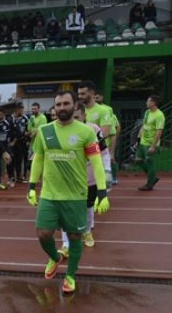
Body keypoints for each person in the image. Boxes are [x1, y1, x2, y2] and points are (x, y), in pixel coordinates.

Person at [27, 91, 110, 294]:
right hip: (49, 194)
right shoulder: (45, 130)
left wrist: (102, 192)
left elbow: (97, 163)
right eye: (58, 104)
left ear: (74, 105)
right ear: (54, 107)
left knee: (75, 237)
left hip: (76, 196)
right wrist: (31, 186)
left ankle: (71, 275)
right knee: (43, 233)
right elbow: (38, 159)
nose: (62, 107)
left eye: (66, 103)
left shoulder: (86, 132)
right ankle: (55, 257)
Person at [58, 102, 112, 254]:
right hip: (68, 179)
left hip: (90, 178)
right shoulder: (61, 130)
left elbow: (104, 152)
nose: (73, 120)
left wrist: (107, 171)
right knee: (65, 210)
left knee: (88, 207)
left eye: (77, 117)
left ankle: (87, 231)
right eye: (71, 116)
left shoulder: (93, 130)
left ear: (84, 116)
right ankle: (66, 243)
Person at [136, 94, 165, 191]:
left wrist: (153, 146)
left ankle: (149, 184)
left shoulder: (159, 115)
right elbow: (144, 125)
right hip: (143, 142)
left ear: (153, 103)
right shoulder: (147, 112)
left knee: (149, 162)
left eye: (148, 101)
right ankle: (153, 178)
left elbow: (159, 131)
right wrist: (138, 138)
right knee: (138, 160)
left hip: (151, 143)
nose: (146, 103)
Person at [95, 92, 121, 185]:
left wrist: (112, 148)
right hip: (93, 144)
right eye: (95, 97)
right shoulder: (85, 110)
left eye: (98, 96)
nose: (96, 98)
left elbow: (116, 128)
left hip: (105, 143)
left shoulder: (108, 110)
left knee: (110, 159)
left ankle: (113, 178)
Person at [0, 109, 16, 189]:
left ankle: (11, 179)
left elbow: (16, 132)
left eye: (1, 114)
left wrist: (13, 142)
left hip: (6, 145)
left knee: (9, 161)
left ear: (4, 114)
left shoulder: (9, 122)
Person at [12, 103, 30, 183]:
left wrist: (28, 137)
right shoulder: (12, 118)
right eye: (20, 109)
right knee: (16, 160)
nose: (22, 111)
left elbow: (28, 129)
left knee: (25, 158)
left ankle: (24, 176)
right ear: (16, 110)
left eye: (23, 109)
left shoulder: (26, 118)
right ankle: (17, 176)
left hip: (23, 141)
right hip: (15, 142)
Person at [27, 102, 47, 175]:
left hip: (40, 144)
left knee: (35, 162)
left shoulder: (43, 117)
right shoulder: (31, 118)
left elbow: (41, 129)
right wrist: (27, 134)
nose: (33, 110)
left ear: (39, 109)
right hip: (32, 145)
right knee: (30, 164)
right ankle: (37, 175)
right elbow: (29, 128)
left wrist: (33, 134)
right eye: (32, 109)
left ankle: (40, 175)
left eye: (35, 109)